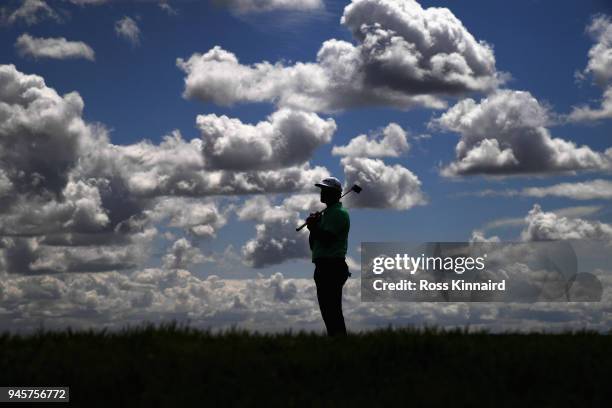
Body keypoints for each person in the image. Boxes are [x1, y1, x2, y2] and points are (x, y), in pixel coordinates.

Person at [306, 177, 351, 337]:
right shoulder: (326, 215)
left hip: (333, 267)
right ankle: (336, 343)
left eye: (326, 190)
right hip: (322, 267)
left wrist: (313, 227)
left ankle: (341, 345)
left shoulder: (339, 213)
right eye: (322, 189)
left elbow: (327, 239)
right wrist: (313, 227)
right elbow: (314, 244)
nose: (322, 192)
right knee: (327, 311)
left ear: (335, 194)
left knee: (332, 310)